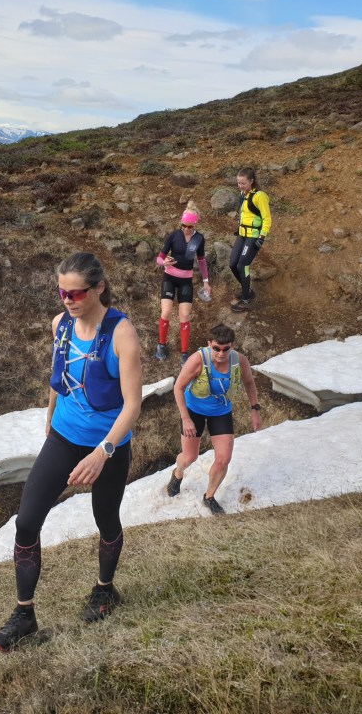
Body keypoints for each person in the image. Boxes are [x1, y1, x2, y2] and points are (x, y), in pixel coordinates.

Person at [0, 252, 143, 652]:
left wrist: (102, 452)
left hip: (108, 445)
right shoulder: (60, 325)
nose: (68, 300)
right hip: (63, 437)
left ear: (98, 288)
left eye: (76, 293)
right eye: (62, 292)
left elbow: (132, 405)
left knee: (106, 519)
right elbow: (58, 375)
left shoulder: (122, 334)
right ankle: (24, 615)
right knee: (26, 522)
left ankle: (105, 590)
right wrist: (50, 415)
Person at [167, 324, 262, 515]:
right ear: (209, 344)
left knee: (224, 458)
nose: (221, 353)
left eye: (226, 349)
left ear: (232, 346)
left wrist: (255, 409)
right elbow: (178, 387)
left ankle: (209, 496)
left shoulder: (239, 361)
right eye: (216, 348)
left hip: (221, 411)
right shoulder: (197, 360)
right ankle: (177, 474)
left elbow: (249, 382)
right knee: (190, 457)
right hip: (194, 411)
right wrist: (186, 418)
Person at [154, 207, 210, 366]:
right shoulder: (174, 235)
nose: (186, 229)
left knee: (184, 315)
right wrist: (164, 262)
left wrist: (206, 281)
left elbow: (201, 260)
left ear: (195, 225)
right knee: (166, 311)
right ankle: (161, 345)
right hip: (170, 277)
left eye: (189, 226)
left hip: (186, 279)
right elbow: (159, 258)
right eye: (183, 225)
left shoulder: (199, 239)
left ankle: (184, 353)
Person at [229, 166, 272, 312]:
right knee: (233, 264)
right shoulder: (243, 194)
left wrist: (262, 236)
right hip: (242, 234)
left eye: (243, 183)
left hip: (253, 237)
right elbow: (245, 214)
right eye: (238, 183)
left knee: (243, 265)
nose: (240, 186)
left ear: (251, 181)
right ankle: (246, 290)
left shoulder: (260, 196)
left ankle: (246, 300)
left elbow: (267, 218)